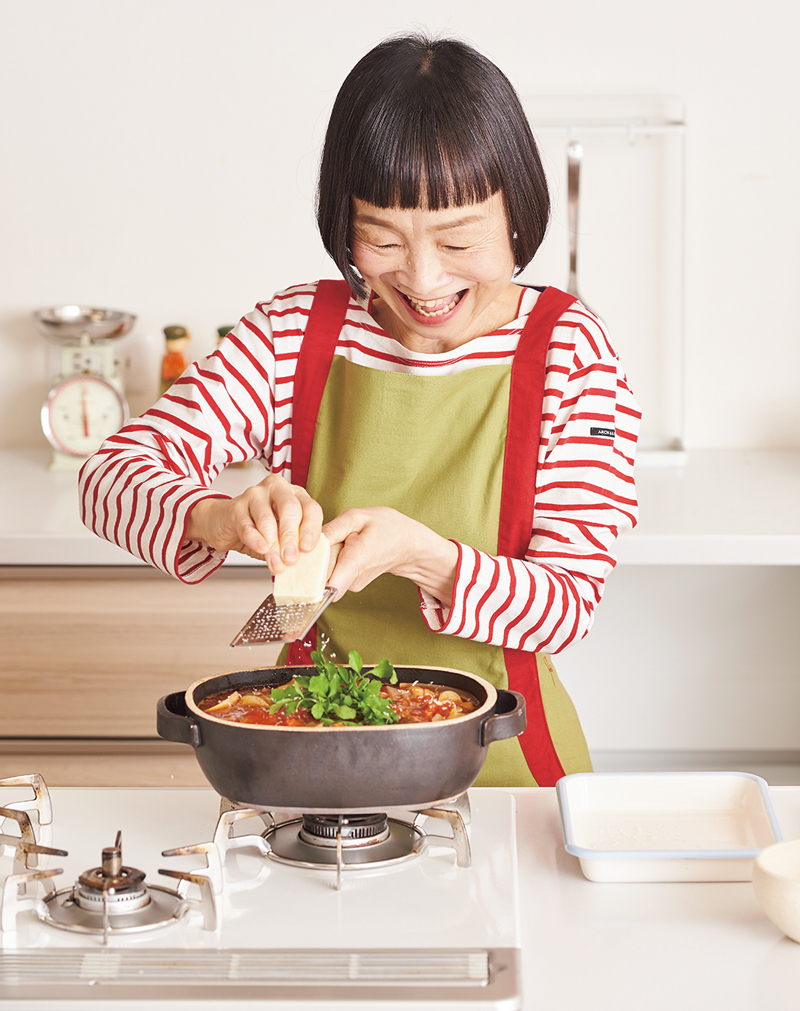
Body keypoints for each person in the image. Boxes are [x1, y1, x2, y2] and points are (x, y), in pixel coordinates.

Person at [79, 33, 640, 787]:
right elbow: (109, 474)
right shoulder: (295, 332)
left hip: (503, 771)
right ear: (346, 226)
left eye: (458, 238)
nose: (423, 277)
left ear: (519, 214)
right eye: (381, 239)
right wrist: (222, 517)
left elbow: (565, 605)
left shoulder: (570, 352)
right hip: (309, 759)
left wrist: (421, 557)